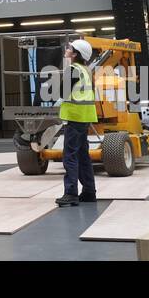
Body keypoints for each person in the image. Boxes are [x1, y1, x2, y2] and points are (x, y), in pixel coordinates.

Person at [56, 38, 98, 207]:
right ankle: (89, 192)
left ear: (75, 54)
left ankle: (71, 193)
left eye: (69, 48)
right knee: (83, 156)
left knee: (70, 157)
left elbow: (62, 91)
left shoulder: (73, 69)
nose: (66, 49)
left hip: (74, 117)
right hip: (85, 117)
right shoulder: (86, 69)